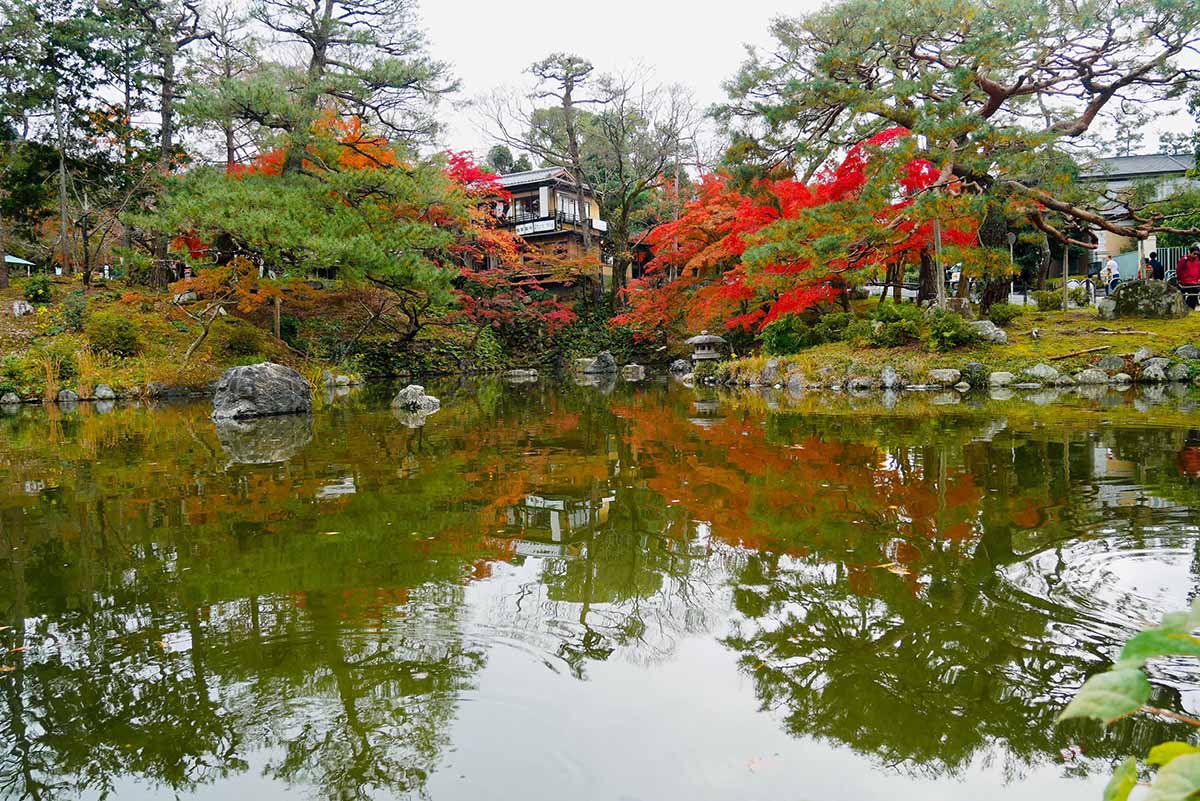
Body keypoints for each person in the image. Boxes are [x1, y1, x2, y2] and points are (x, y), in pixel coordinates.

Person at [1177, 244, 1200, 309]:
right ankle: (1186, 307)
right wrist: (1179, 279)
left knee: (1194, 295)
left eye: (1197, 254)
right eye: (1194, 253)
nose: (1196, 255)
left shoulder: (1197, 260)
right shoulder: (1184, 260)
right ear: (1190, 252)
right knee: (1188, 294)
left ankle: (1190, 308)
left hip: (1195, 282)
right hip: (1185, 282)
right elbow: (1179, 270)